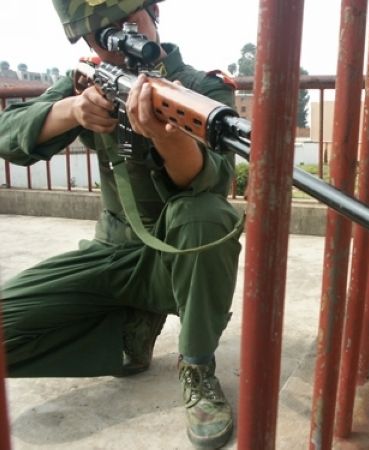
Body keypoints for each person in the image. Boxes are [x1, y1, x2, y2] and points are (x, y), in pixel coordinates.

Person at [0, 1, 242, 448]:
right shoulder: (89, 76)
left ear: (154, 14)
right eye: (101, 36)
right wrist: (74, 111)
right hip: (111, 251)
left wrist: (168, 138)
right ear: (90, 44)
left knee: (206, 215)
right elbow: (7, 135)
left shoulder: (198, 88)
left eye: (132, 23)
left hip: (177, 255)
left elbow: (211, 182)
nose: (120, 39)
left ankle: (197, 366)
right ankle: (128, 335)